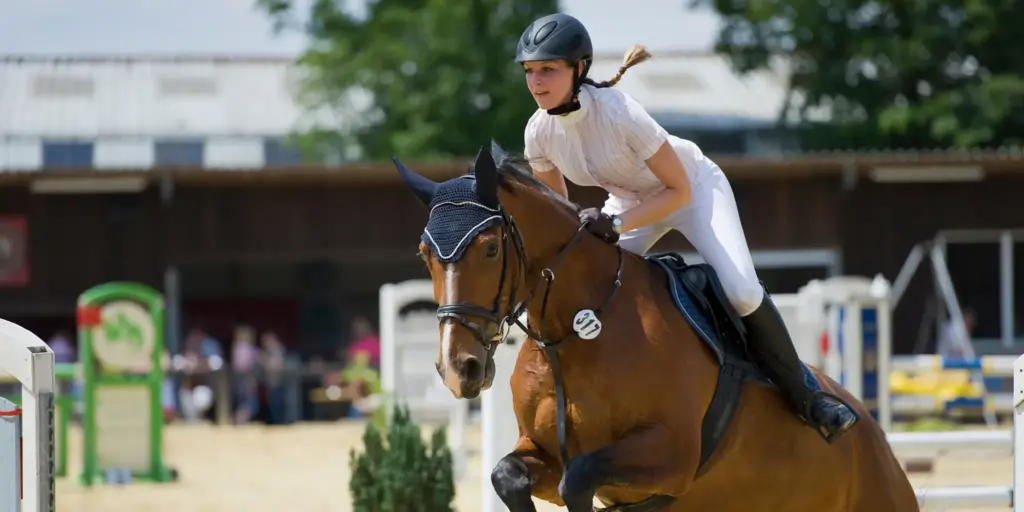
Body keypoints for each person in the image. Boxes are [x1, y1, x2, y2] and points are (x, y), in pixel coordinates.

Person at [515, 13, 859, 441]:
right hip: (628, 201)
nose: (536, 81)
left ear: (578, 69)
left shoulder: (619, 112)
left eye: (548, 69)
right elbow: (561, 215)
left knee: (742, 290)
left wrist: (616, 223)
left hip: (693, 190)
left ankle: (808, 398)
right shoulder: (538, 132)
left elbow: (677, 191)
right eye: (530, 71)